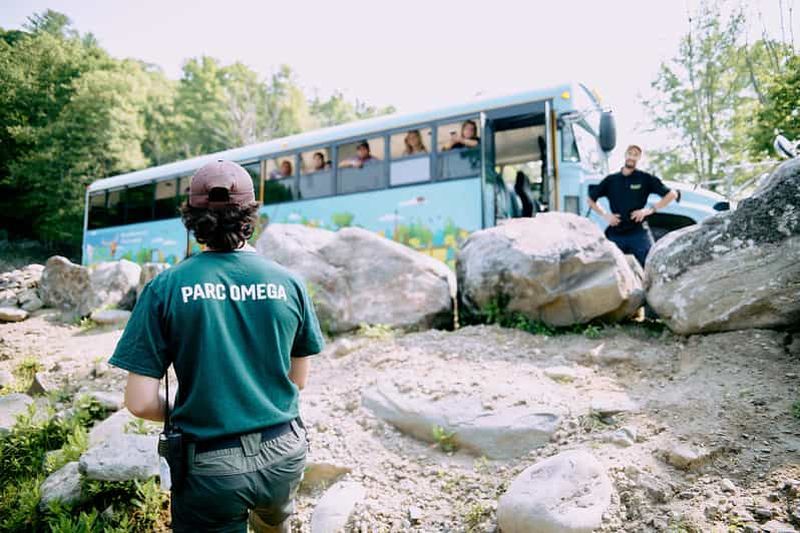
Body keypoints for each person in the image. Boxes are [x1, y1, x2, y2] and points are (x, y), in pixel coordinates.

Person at [109, 159, 325, 533]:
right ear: (251, 214)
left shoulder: (165, 288)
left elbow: (140, 402)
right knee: (274, 524)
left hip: (210, 470)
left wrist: (199, 408)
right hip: (284, 454)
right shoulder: (289, 283)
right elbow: (298, 381)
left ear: (191, 219)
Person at [588, 145, 678, 266]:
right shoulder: (611, 180)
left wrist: (649, 210)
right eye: (630, 153)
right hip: (616, 233)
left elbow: (672, 194)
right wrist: (605, 215)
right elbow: (590, 199)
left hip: (638, 232)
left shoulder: (645, 178)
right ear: (625, 155)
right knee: (608, 268)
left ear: (639, 158)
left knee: (651, 264)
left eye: (636, 155)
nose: (632, 157)